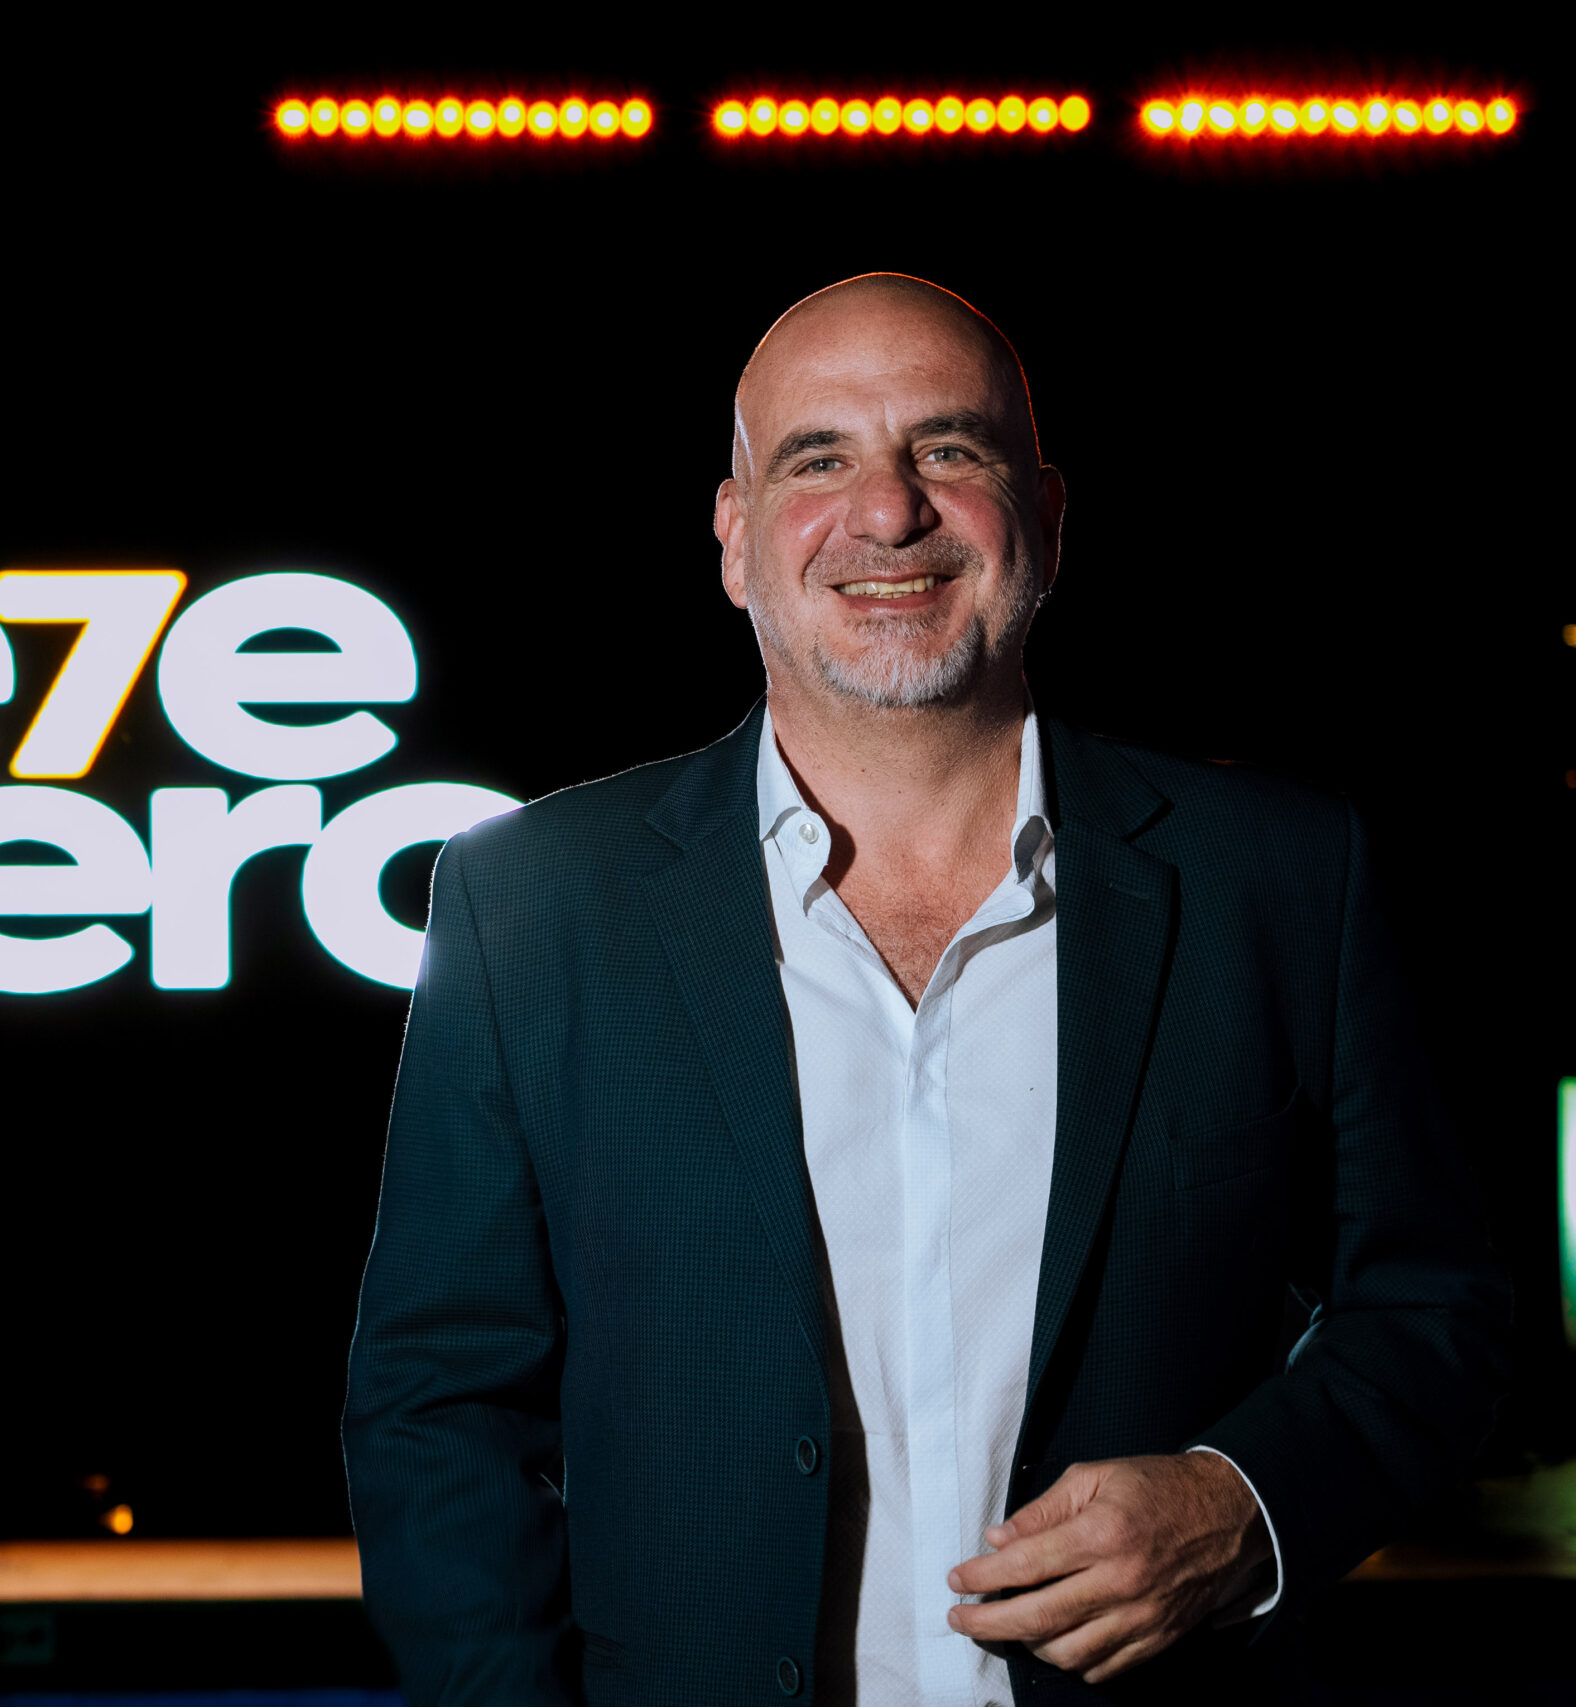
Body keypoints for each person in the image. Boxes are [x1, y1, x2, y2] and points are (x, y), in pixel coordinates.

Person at [341, 274, 1508, 1706]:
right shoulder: (535, 902)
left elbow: (1436, 1305)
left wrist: (1243, 1502)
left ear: (1048, 517)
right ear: (734, 540)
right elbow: (438, 1404)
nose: (889, 513)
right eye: (818, 459)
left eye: (948, 448)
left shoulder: (1278, 880)